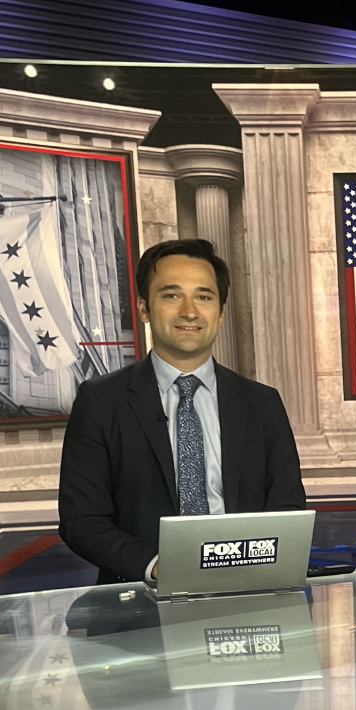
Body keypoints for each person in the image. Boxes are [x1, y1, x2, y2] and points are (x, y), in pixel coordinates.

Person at [59, 239, 306, 584]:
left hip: (249, 589)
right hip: (142, 598)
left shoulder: (262, 403)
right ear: (144, 308)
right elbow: (82, 519)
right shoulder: (100, 401)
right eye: (171, 295)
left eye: (204, 297)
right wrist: (159, 567)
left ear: (220, 313)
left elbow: (288, 507)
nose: (190, 312)